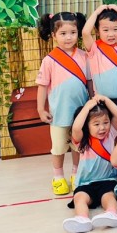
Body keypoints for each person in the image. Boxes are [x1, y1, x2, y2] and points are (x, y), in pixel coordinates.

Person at [36, 12, 89, 196]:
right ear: (53, 35)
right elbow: (42, 86)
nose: (68, 37)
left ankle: (76, 173)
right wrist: (40, 109)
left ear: (78, 32)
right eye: (63, 33)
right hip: (58, 114)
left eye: (73, 32)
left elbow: (90, 82)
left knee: (78, 146)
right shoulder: (49, 60)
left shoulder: (84, 56)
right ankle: (58, 177)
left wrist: (92, 102)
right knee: (58, 147)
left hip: (81, 113)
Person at [63, 96, 117, 233]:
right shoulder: (83, 140)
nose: (102, 127)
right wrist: (87, 107)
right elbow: (76, 127)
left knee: (109, 197)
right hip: (86, 183)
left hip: (108, 180)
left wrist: (104, 99)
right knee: (79, 198)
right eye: (96, 124)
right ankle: (82, 219)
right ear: (87, 126)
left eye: (106, 122)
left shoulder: (112, 134)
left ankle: (111, 214)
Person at [83, 4, 117, 113]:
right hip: (102, 102)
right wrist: (97, 12)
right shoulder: (94, 49)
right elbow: (85, 32)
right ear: (97, 31)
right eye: (105, 30)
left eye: (115, 29)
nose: (111, 34)